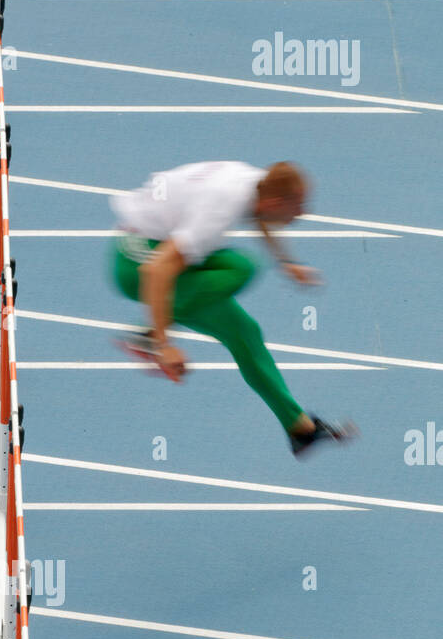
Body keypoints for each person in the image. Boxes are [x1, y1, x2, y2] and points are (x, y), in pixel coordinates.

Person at [109, 159, 355, 455]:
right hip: (135, 261)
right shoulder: (218, 210)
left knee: (245, 331)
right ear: (276, 201)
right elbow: (156, 272)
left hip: (160, 246)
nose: (304, 212)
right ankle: (146, 336)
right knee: (241, 268)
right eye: (299, 206)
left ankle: (300, 429)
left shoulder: (256, 184)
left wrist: (286, 262)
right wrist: (165, 344)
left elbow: (262, 216)